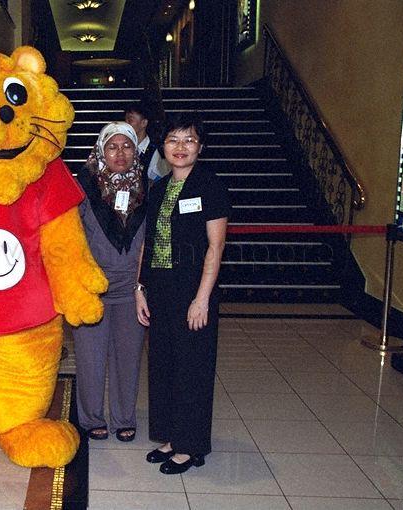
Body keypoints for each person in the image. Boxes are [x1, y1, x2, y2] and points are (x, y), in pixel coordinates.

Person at [135, 113, 230, 474]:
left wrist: (202, 297)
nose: (180, 147)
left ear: (200, 147)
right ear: (163, 145)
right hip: (159, 288)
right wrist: (139, 288)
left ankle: (191, 446)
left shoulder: (210, 185)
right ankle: (173, 436)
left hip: (192, 289)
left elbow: (215, 247)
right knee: (164, 366)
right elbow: (149, 240)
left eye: (188, 140)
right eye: (173, 139)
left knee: (192, 367)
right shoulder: (158, 187)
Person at [73, 122, 148, 443]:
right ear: (101, 150)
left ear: (136, 150)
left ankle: (124, 418)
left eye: (127, 146)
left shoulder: (149, 189)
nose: (120, 153)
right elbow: (69, 238)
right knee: (90, 359)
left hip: (133, 291)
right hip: (93, 290)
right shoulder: (82, 188)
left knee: (128, 359)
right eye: (112, 146)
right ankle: (90, 418)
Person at [125, 101, 169, 182]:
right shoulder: (123, 146)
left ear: (144, 123)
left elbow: (161, 180)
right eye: (125, 120)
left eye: (130, 120)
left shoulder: (155, 151)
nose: (126, 124)